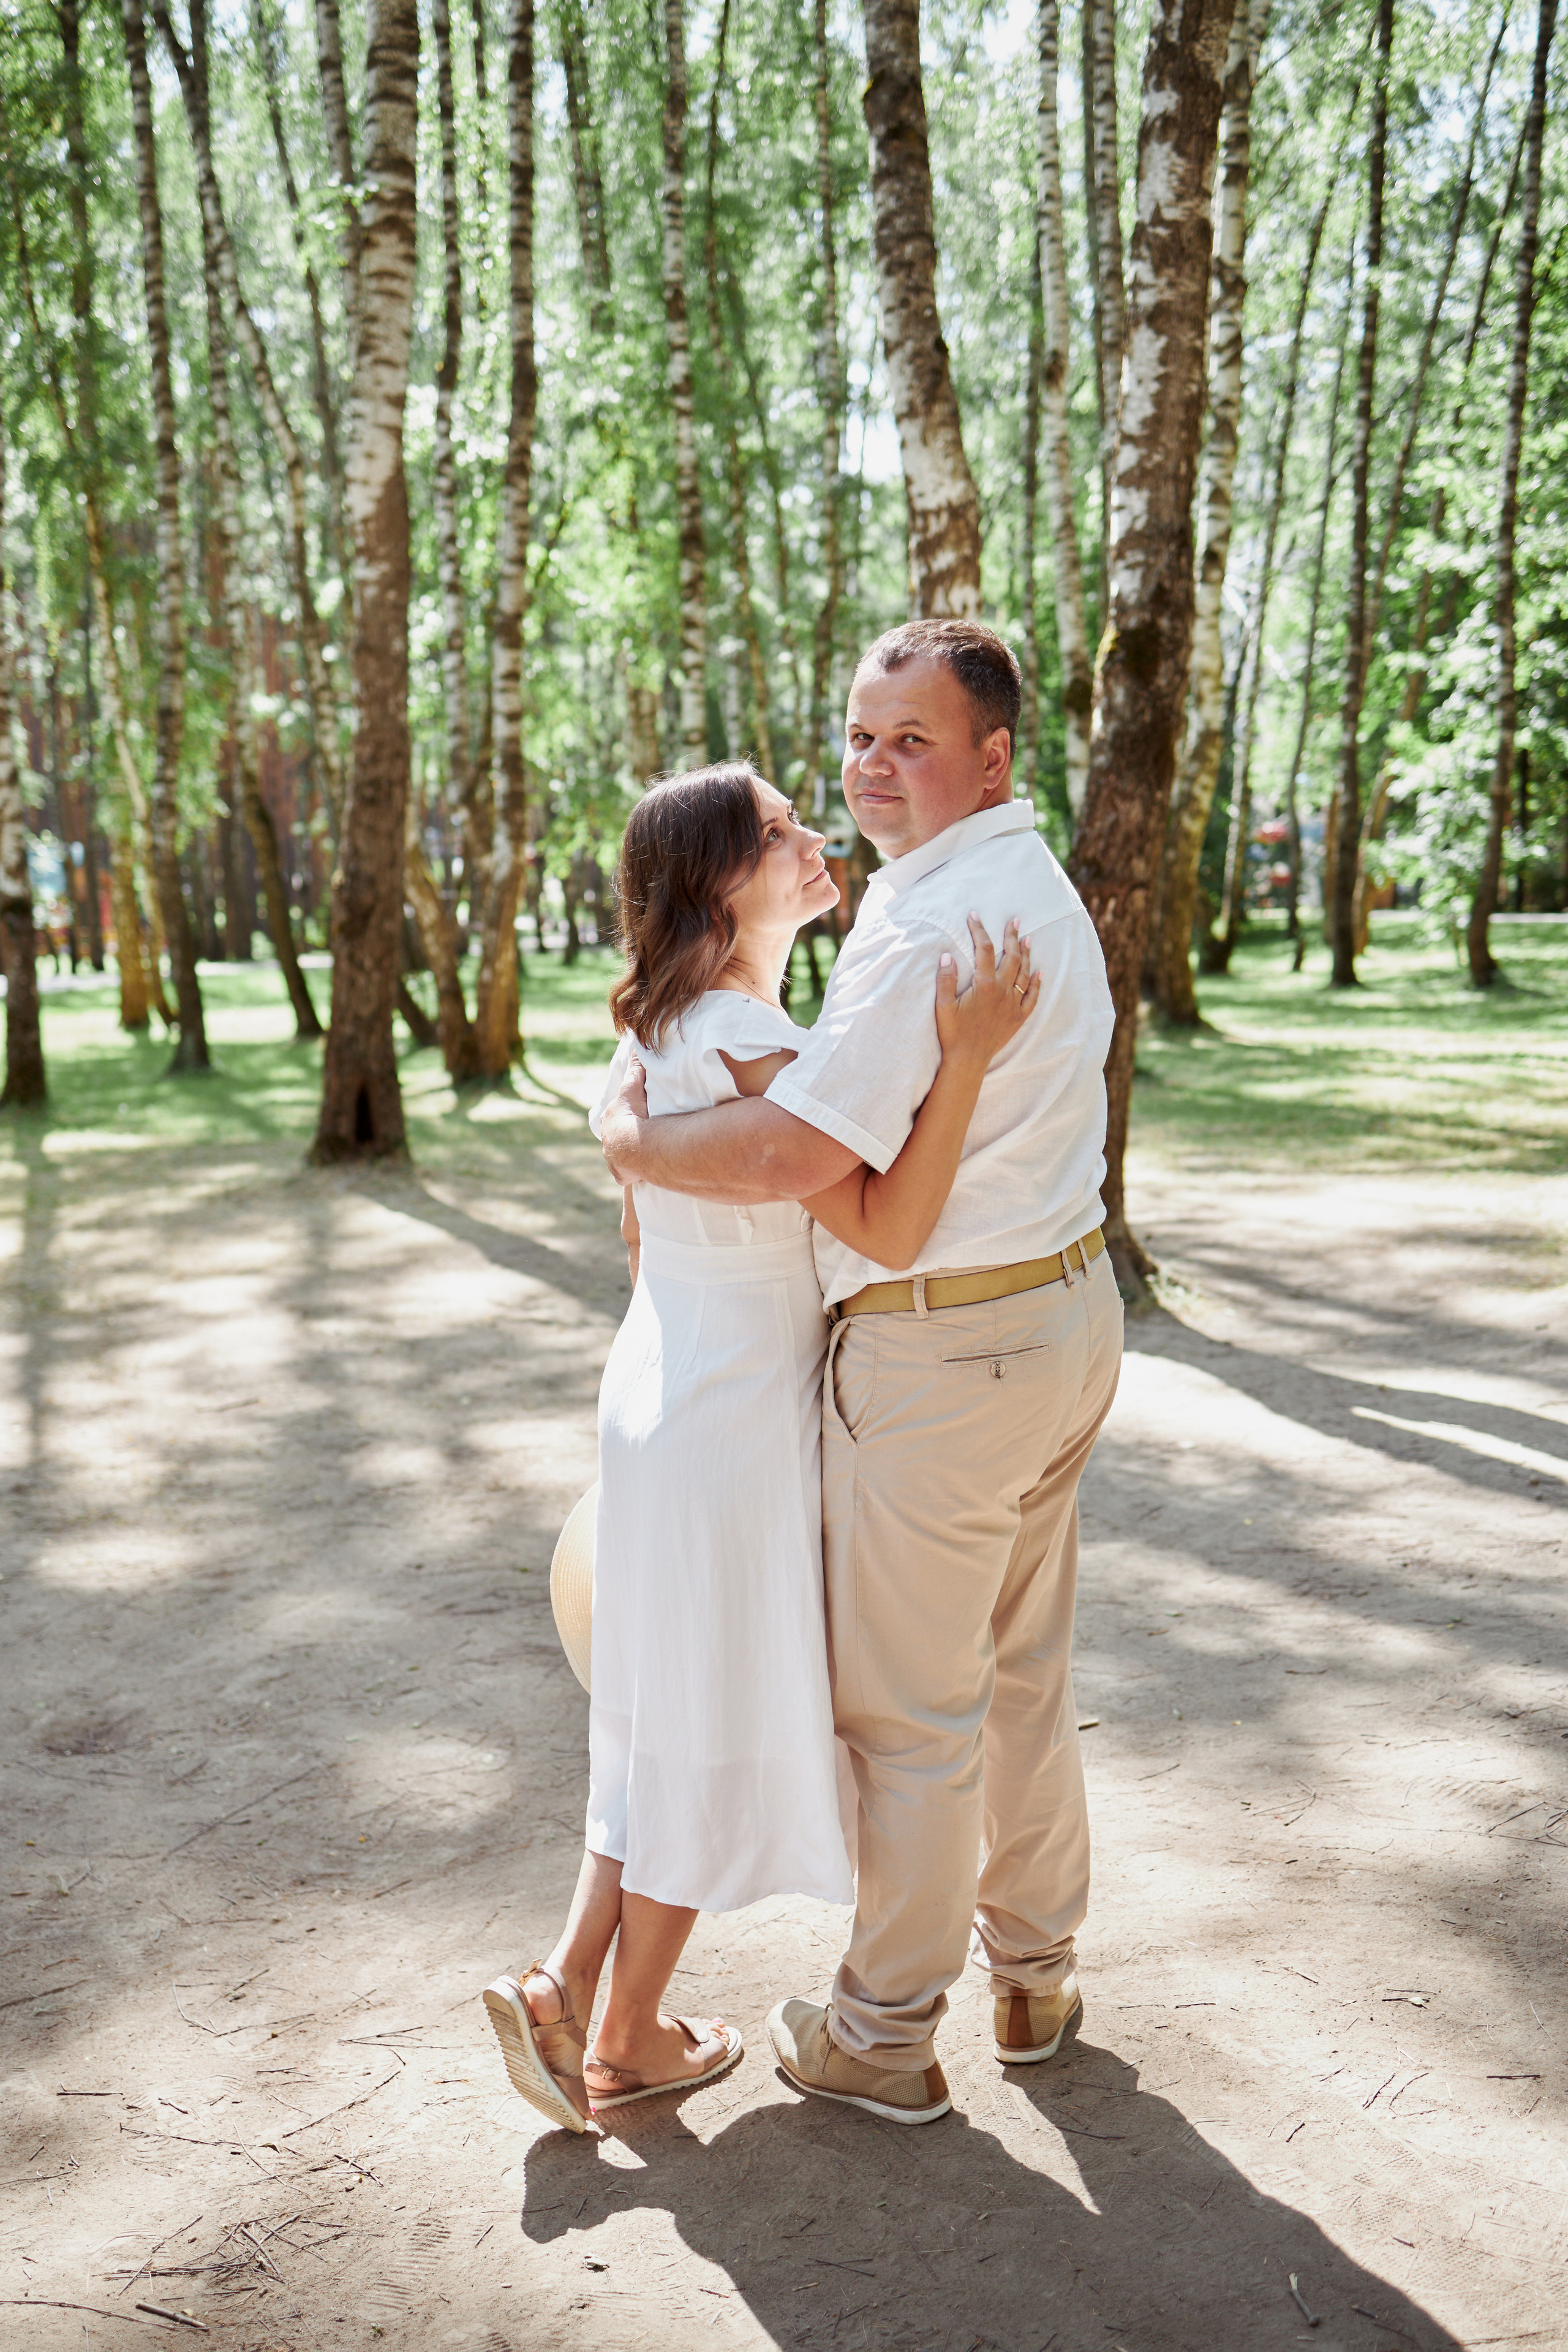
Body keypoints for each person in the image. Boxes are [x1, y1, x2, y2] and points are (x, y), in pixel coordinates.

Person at [600, 620, 1122, 2127]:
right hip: (1059, 1315)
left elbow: (789, 1156)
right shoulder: (1020, 884)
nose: (872, 768)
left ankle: (883, 2033)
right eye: (858, 736)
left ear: (991, 756)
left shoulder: (924, 924)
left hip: (947, 1349)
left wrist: (630, 1142)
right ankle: (1034, 1970)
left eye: (911, 739)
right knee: (1019, 1677)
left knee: (908, 1718)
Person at [484, 758, 1039, 2133]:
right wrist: (965, 1060)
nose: (811, 837)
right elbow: (892, 1228)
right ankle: (617, 2036)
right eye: (776, 831)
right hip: (730, 1410)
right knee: (704, 1726)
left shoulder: (648, 1041)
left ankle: (574, 1993)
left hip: (661, 1385)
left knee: (653, 1717)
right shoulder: (762, 1050)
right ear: (713, 888)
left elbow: (632, 1232)